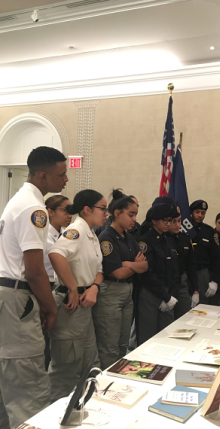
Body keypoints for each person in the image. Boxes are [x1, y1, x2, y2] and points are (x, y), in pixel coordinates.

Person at [0, 146, 68, 429]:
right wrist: (50, 308)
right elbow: (34, 271)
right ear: (43, 176)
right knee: (29, 386)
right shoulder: (34, 208)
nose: (65, 180)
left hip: (11, 295)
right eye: (61, 175)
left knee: (12, 383)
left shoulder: (19, 199)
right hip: (19, 297)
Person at [48, 189, 107, 403]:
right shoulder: (76, 230)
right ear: (87, 209)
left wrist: (94, 287)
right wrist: (73, 288)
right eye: (103, 208)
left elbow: (99, 270)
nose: (106, 213)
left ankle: (81, 409)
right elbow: (56, 253)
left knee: (90, 363)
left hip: (85, 304)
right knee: (66, 369)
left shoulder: (92, 234)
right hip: (70, 305)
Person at [92, 189, 147, 370]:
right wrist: (134, 265)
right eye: (131, 215)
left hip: (127, 293)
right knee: (109, 346)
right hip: (111, 293)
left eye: (136, 215)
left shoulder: (129, 237)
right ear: (117, 213)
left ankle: (118, 376)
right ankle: (104, 382)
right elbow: (117, 273)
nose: (134, 219)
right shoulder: (106, 238)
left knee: (123, 344)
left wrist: (128, 264)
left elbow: (144, 266)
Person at [137, 203, 180, 345]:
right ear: (154, 221)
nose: (168, 224)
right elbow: (148, 274)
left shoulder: (168, 239)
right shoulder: (146, 241)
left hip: (167, 293)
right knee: (147, 336)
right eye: (165, 220)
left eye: (170, 220)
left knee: (168, 334)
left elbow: (175, 269)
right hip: (151, 294)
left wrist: (171, 294)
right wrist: (165, 295)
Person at [44, 195, 72, 370]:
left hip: (57, 289)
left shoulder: (63, 235)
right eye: (65, 210)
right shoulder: (44, 236)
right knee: (45, 340)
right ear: (50, 212)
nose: (70, 215)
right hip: (44, 287)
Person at [167, 206, 199, 319]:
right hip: (167, 284)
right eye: (173, 221)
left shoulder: (184, 238)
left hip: (182, 284)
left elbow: (191, 265)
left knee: (185, 318)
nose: (177, 225)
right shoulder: (163, 239)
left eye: (179, 221)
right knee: (167, 322)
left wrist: (195, 290)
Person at [189, 200, 220, 305]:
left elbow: (217, 257)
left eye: (203, 213)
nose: (200, 215)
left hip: (201, 272)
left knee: (203, 304)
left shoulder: (209, 231)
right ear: (191, 212)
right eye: (197, 212)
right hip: (185, 272)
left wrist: (214, 280)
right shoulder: (183, 229)